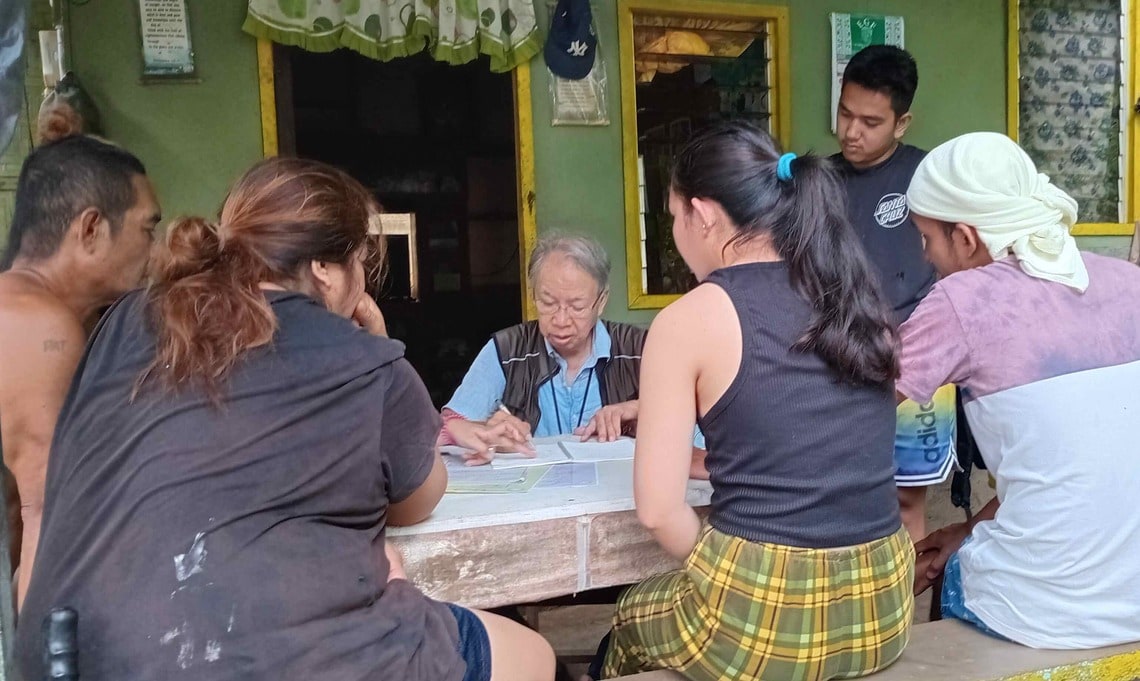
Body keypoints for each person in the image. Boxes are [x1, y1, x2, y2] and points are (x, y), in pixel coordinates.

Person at [14, 157, 555, 681]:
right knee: (529, 654)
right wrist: (377, 344)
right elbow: (419, 499)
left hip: (68, 653)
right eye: (361, 260)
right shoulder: (363, 360)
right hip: (254, 655)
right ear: (324, 269)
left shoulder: (128, 320)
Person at [599, 121, 913, 681]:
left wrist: (729, 574)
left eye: (673, 218)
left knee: (629, 615)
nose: (676, 233)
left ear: (704, 214)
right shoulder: (853, 297)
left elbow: (658, 511)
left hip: (762, 616)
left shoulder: (690, 318)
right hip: (884, 601)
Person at [900, 132, 1140, 648]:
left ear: (965, 238)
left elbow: (847, 410)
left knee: (946, 577)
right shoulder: (1130, 283)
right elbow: (1078, 468)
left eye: (926, 239)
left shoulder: (963, 299)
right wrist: (968, 529)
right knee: (959, 545)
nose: (925, 257)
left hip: (1036, 615)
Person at [0, 135, 161, 608]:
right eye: (147, 228)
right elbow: (45, 514)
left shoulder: (43, 312)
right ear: (91, 228)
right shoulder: (37, 326)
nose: (153, 248)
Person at [442, 234, 705, 471]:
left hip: (620, 499)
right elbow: (443, 429)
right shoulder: (507, 350)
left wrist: (643, 409)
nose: (561, 319)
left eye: (577, 306)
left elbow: (703, 445)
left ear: (601, 302)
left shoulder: (641, 351)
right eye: (547, 302)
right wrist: (470, 431)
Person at [833, 44, 956, 539]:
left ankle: (901, 617)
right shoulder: (818, 181)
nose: (851, 131)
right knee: (838, 498)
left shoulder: (932, 181)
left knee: (905, 502)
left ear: (902, 123)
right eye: (844, 113)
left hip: (916, 364)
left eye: (870, 121)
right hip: (837, 364)